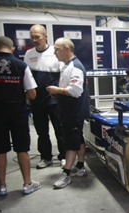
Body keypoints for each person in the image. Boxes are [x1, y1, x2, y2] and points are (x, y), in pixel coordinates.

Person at [0, 36, 41, 196]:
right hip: (18, 110)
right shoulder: (21, 65)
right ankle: (27, 184)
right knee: (22, 148)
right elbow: (32, 94)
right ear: (12, 49)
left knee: (0, 150)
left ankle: (1, 186)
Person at [47, 37, 90, 189]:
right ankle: (80, 166)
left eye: (57, 49)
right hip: (71, 110)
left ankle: (66, 174)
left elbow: (75, 91)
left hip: (73, 111)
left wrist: (56, 90)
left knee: (71, 144)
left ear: (66, 49)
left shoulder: (75, 66)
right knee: (78, 139)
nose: (54, 52)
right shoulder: (67, 65)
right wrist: (58, 92)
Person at [24, 24, 66, 169]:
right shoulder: (29, 54)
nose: (34, 40)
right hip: (36, 99)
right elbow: (26, 77)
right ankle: (46, 157)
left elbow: (63, 75)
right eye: (32, 37)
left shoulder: (55, 53)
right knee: (41, 131)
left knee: (59, 129)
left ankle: (64, 156)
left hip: (54, 99)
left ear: (45, 36)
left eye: (37, 36)